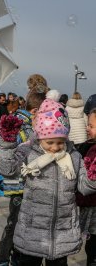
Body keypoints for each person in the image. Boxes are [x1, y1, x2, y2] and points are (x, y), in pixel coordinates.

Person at [0, 92, 96, 266]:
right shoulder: (28, 152)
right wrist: (6, 145)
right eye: (50, 143)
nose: (55, 148)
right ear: (40, 136)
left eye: (60, 142)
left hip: (62, 236)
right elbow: (8, 170)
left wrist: (93, 175)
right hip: (32, 234)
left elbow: (85, 187)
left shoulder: (74, 156)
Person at [0, 91, 46, 266]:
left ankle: (16, 257)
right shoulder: (18, 124)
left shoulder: (30, 123)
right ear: (34, 111)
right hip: (18, 183)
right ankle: (2, 259)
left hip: (26, 184)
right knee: (14, 224)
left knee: (21, 225)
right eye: (43, 112)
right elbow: (10, 153)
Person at [75, 108, 96, 266]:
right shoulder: (89, 146)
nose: (87, 128)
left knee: (93, 246)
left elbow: (86, 185)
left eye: (91, 126)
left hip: (92, 207)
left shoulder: (93, 150)